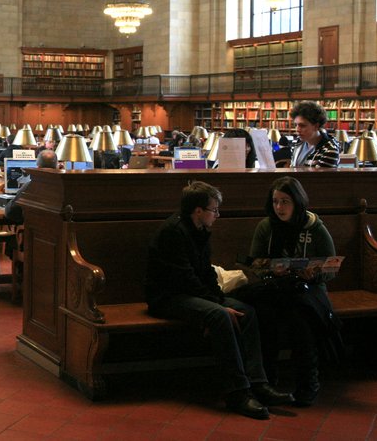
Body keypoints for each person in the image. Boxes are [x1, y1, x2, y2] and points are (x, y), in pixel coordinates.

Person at [144, 181, 293, 419]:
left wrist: (219, 299)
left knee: (246, 311)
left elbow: (206, 273)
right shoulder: (173, 232)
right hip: (168, 297)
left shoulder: (200, 230)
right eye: (214, 210)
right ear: (198, 211)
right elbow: (185, 280)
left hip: (191, 294)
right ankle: (238, 393)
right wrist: (217, 305)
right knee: (219, 316)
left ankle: (258, 383)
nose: (217, 215)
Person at [245, 177, 340, 407]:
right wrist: (269, 269)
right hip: (276, 288)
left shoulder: (314, 227)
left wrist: (314, 272)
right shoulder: (266, 227)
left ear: (297, 202)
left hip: (307, 290)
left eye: (285, 201)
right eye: (276, 201)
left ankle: (308, 382)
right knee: (262, 315)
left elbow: (332, 266)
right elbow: (254, 263)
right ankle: (266, 381)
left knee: (300, 319)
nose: (279, 208)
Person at [289, 101, 340, 168]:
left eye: (302, 125)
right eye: (296, 125)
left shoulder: (329, 150)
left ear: (316, 126)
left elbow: (320, 178)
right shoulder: (296, 142)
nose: (297, 130)